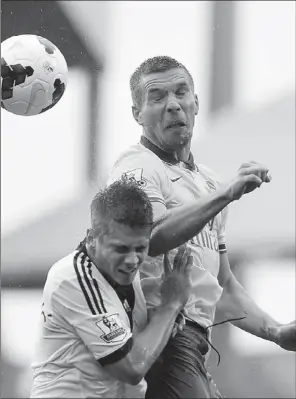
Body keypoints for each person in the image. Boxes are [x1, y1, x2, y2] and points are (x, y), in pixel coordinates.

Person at [108, 55, 296, 398]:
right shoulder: (136, 167)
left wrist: (276, 331)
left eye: (181, 93)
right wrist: (226, 194)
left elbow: (222, 285)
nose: (173, 105)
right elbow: (146, 239)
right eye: (157, 97)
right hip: (161, 341)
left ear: (196, 103)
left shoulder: (208, 183)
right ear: (137, 114)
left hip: (194, 346)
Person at [30, 178, 193, 398]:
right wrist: (171, 305)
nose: (132, 260)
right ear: (92, 238)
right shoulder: (71, 279)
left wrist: (161, 317)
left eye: (140, 248)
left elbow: (140, 346)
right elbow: (132, 367)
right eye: (121, 248)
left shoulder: (123, 273)